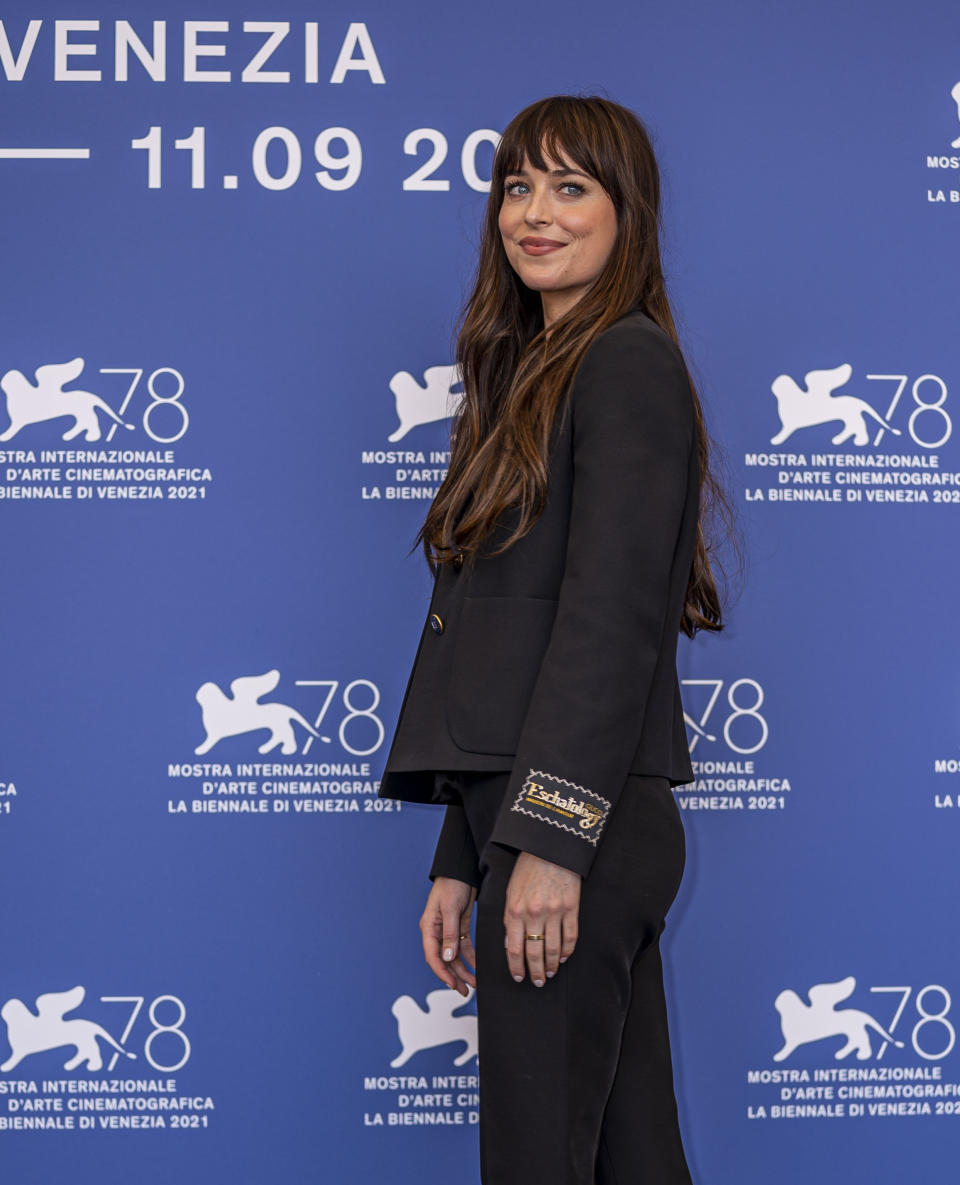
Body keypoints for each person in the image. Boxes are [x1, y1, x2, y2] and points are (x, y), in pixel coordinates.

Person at [378, 94, 732, 1185]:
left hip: (585, 826)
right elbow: (497, 644)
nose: (535, 213)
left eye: (571, 187)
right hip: (530, 822)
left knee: (539, 1163)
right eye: (517, 188)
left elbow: (608, 625)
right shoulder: (529, 374)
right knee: (631, 1159)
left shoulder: (625, 364)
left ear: (629, 213)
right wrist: (463, 852)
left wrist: (552, 841)